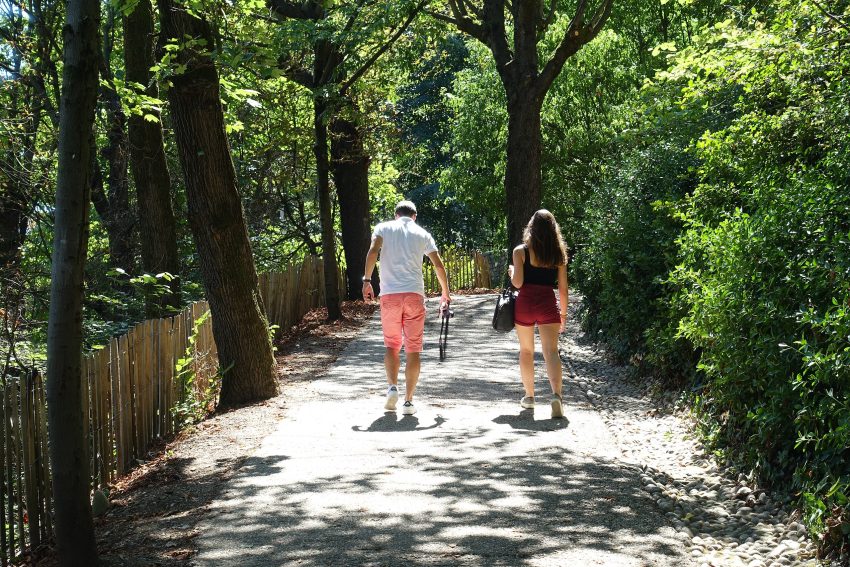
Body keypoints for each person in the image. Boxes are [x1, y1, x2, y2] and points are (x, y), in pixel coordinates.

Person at [363, 200, 451, 415]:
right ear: (415, 216)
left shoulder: (383, 228)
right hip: (414, 295)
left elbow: (373, 251)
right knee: (413, 349)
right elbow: (438, 264)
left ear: (396, 215)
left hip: (390, 296)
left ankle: (392, 387)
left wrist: (367, 280)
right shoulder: (422, 233)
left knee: (392, 345)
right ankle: (409, 401)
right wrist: (445, 293)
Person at [508, 209, 569, 418]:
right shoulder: (558, 255)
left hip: (525, 303)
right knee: (551, 352)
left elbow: (517, 283)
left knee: (526, 351)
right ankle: (556, 396)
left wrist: (511, 272)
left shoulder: (520, 251)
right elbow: (563, 289)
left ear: (531, 228)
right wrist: (564, 315)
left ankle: (530, 397)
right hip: (547, 303)